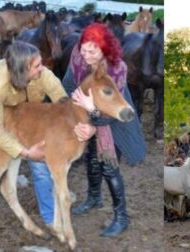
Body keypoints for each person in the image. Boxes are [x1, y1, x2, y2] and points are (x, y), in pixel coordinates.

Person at [0, 41, 95, 227]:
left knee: (41, 167)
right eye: (37, 66)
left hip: (29, 118)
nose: (43, 68)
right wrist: (25, 153)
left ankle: (51, 219)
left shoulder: (45, 75)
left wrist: (84, 125)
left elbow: (65, 105)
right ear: (23, 70)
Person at [62, 23, 146, 237]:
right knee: (91, 157)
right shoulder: (78, 55)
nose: (86, 55)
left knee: (109, 165)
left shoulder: (117, 68)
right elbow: (69, 85)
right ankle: (94, 197)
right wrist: (79, 117)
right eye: (84, 49)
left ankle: (122, 217)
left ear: (104, 50)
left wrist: (92, 119)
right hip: (85, 112)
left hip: (115, 117)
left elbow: (111, 107)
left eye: (93, 51)